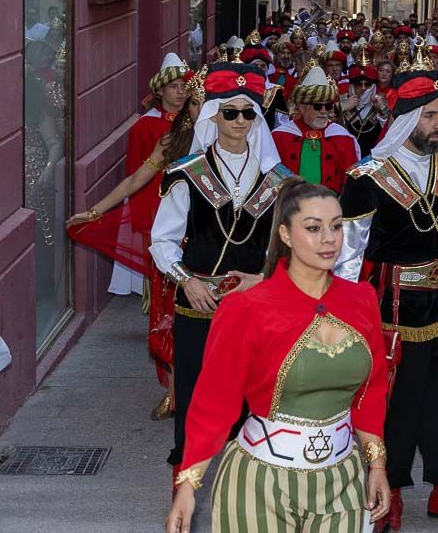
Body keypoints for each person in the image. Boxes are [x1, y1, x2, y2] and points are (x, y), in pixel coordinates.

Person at [166, 182, 390, 533]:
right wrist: (188, 486)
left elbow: (372, 390)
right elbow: (214, 403)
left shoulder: (361, 299)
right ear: (285, 234)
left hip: (343, 481)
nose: (329, 238)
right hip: (260, 484)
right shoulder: (247, 309)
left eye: (336, 226)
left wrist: (376, 465)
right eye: (314, 228)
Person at [336, 54, 438, 531]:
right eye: (428, 116)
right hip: (395, 305)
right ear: (405, 119)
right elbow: (348, 252)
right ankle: (392, 489)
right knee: (397, 401)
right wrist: (338, 307)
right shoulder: (367, 180)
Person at [149, 62, 295, 487]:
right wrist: (187, 281)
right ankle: (186, 486)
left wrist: (264, 279)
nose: (239, 121)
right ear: (212, 115)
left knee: (256, 397)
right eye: (229, 112)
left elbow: (289, 245)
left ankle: (249, 486)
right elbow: (161, 241)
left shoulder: (277, 179)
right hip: (199, 305)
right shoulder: (186, 174)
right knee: (196, 397)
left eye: (248, 113)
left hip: (255, 308)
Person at [69, 67, 205, 421]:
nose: (197, 106)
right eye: (194, 99)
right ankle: (175, 395)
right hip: (173, 247)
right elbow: (135, 179)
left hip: (210, 248)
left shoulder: (226, 142)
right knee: (166, 319)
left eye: (202, 100)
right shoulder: (171, 141)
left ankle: (206, 393)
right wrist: (94, 211)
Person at [108, 53, 191, 297]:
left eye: (184, 86)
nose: (180, 92)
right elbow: (135, 170)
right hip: (155, 202)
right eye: (174, 87)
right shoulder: (145, 125)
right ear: (160, 91)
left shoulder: (194, 120)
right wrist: (139, 215)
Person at [272, 66, 361, 192]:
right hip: (292, 206)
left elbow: (350, 182)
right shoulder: (280, 137)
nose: (324, 111)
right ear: (302, 107)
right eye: (318, 106)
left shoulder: (343, 138)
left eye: (328, 106)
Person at [341, 64, 390, 157]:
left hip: (372, 160)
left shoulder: (381, 102)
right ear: (352, 86)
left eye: (367, 84)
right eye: (358, 84)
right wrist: (342, 108)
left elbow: (392, 131)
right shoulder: (342, 101)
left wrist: (382, 109)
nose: (363, 88)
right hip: (347, 157)